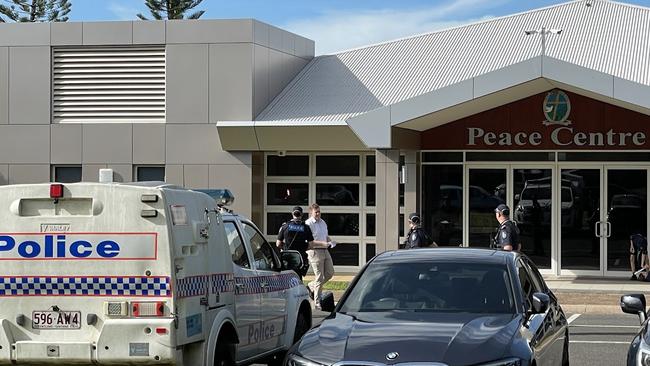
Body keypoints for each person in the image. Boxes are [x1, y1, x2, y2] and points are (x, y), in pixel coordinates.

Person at [276, 206, 331, 278]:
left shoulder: (285, 226)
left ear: (292, 214)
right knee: (298, 278)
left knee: (286, 277)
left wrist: (286, 247)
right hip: (300, 257)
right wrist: (303, 247)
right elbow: (311, 245)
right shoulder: (306, 227)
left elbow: (278, 244)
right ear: (302, 215)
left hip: (287, 257)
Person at [305, 203, 336, 309]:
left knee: (330, 273)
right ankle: (317, 303)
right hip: (314, 251)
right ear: (311, 213)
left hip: (325, 250)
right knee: (319, 277)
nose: (318, 214)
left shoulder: (323, 222)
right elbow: (310, 242)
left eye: (319, 211)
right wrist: (323, 244)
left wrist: (331, 241)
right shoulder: (308, 224)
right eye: (316, 212)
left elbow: (325, 236)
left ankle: (311, 286)